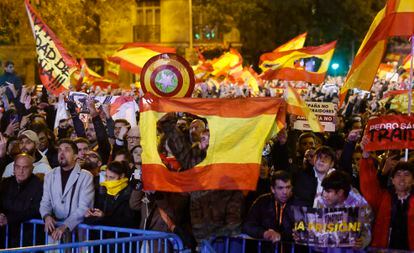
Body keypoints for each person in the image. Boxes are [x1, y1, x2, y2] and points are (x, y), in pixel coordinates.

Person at [360, 137, 414, 250]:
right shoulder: (383, 198)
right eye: (398, 175)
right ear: (393, 180)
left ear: (413, 180)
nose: (402, 179)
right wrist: (366, 157)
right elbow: (368, 184)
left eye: (407, 174)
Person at [39, 139, 94, 242]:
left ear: (75, 156)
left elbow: (84, 207)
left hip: (77, 230)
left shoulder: (86, 176)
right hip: (54, 231)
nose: (62, 153)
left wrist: (65, 225)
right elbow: (45, 202)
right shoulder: (50, 175)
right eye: (59, 150)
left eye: (67, 150)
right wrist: (46, 216)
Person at [314, 170, 372, 250]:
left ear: (340, 192)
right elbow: (316, 228)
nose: (324, 194)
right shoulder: (321, 200)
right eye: (324, 190)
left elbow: (367, 229)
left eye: (328, 191)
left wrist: (362, 241)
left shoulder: (359, 203)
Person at [0, 153, 43, 248]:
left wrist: (10, 219)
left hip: (29, 240)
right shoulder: (6, 184)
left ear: (32, 169)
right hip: (6, 238)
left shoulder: (39, 185)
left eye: (25, 167)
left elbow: (35, 210)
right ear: (14, 168)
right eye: (18, 167)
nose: (21, 171)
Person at [243, 170, 296, 243]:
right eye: (280, 188)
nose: (285, 192)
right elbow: (248, 226)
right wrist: (264, 233)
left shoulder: (298, 204)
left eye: (288, 187)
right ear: (272, 189)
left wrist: (281, 236)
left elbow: (302, 231)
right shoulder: (262, 202)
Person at [85, 161, 139, 228]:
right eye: (106, 176)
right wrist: (90, 215)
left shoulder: (129, 193)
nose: (108, 180)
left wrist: (104, 216)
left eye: (112, 177)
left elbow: (128, 220)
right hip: (105, 235)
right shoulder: (103, 190)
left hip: (122, 236)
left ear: (122, 176)